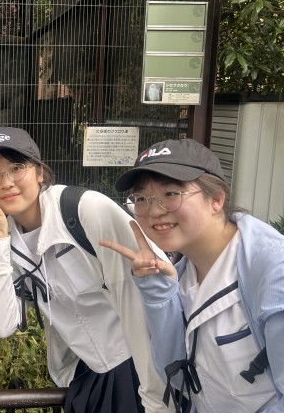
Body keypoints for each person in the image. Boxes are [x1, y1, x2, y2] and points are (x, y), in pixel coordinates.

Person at [0, 127, 174, 413]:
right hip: (87, 376)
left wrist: (156, 399)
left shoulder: (86, 210)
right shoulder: (11, 241)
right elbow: (2, 326)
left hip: (139, 370)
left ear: (39, 172)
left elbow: (136, 301)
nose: (6, 183)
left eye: (17, 167)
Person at [99, 138, 284, 412]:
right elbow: (176, 377)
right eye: (141, 198)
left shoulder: (272, 270)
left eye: (171, 193)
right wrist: (157, 292)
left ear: (216, 199)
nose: (154, 211)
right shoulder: (183, 273)